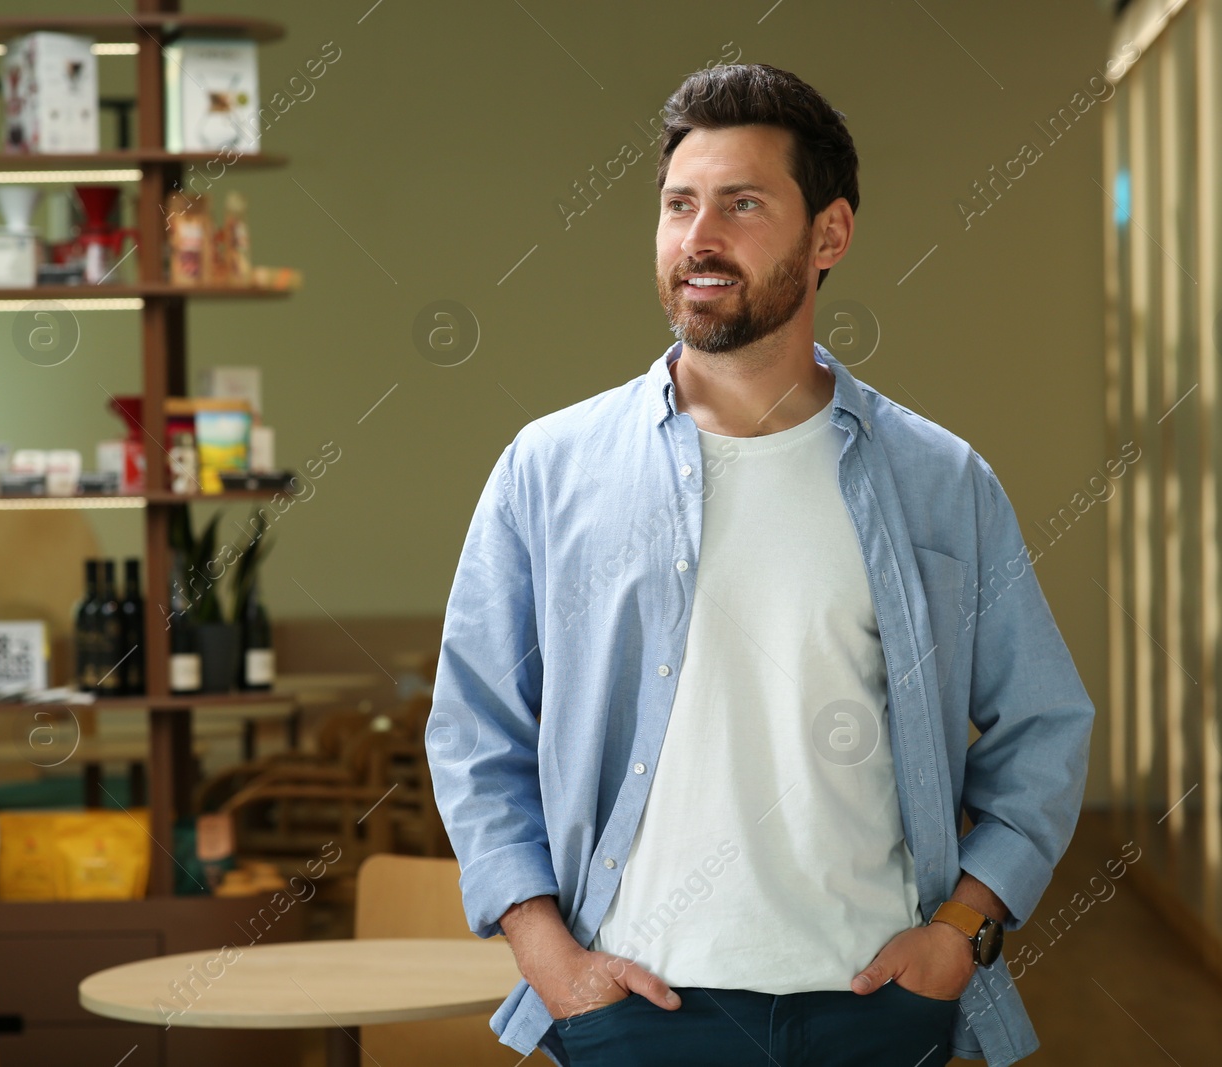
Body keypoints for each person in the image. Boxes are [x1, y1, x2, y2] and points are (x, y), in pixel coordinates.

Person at [427, 62, 1095, 1067]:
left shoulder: (939, 480)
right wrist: (545, 950)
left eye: (740, 205)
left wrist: (960, 930)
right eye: (678, 205)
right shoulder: (548, 471)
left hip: (875, 1006)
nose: (698, 238)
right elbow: (475, 727)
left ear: (828, 234)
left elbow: (1044, 725)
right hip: (633, 1010)